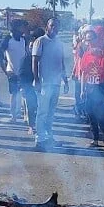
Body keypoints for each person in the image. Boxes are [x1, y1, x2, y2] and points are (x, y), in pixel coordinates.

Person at [32, 18, 69, 151]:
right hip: (44, 83)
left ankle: (48, 137)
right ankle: (40, 139)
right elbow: (35, 61)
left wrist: (65, 81)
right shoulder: (40, 41)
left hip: (56, 83)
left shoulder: (59, 43)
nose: (54, 28)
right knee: (42, 112)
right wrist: (36, 80)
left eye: (56, 26)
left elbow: (62, 63)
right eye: (52, 25)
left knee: (51, 112)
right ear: (47, 26)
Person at [79, 29, 104, 149]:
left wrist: (102, 53)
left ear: (96, 39)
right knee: (91, 114)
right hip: (89, 86)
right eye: (87, 40)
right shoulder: (86, 54)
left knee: (102, 115)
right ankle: (95, 139)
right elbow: (83, 72)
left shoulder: (103, 50)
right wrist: (82, 89)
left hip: (100, 86)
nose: (89, 42)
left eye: (91, 39)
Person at [20, 28, 46, 135]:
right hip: (30, 85)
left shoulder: (45, 55)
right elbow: (22, 73)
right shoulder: (27, 58)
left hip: (44, 85)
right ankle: (31, 126)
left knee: (42, 108)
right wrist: (23, 87)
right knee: (31, 106)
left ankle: (42, 127)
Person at [2, 19, 28, 123]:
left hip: (23, 72)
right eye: (22, 26)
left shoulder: (23, 39)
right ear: (16, 28)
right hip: (12, 72)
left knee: (25, 94)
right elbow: (0, 54)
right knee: (13, 94)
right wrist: (5, 70)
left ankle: (26, 115)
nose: (24, 28)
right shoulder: (8, 39)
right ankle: (13, 116)